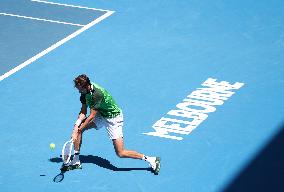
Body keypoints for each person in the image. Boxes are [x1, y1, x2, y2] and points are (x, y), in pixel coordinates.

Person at [66, 74, 160, 174]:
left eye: (79, 88)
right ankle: (76, 161)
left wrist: (78, 130)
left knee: (120, 153)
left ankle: (151, 159)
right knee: (79, 129)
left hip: (113, 118)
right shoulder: (84, 92)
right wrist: (76, 127)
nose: (78, 91)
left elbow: (92, 116)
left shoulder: (97, 93)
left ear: (86, 86)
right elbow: (83, 111)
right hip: (101, 114)